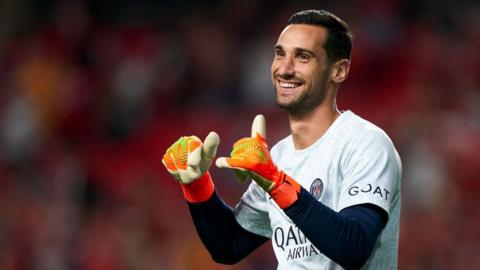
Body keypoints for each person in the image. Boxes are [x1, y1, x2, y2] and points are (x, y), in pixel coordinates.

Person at [162, 9, 401, 269]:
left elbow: (353, 248)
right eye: (280, 53)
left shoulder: (366, 144)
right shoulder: (280, 156)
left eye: (302, 56)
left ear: (339, 70)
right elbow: (228, 246)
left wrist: (278, 184)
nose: (284, 69)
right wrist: (197, 185)